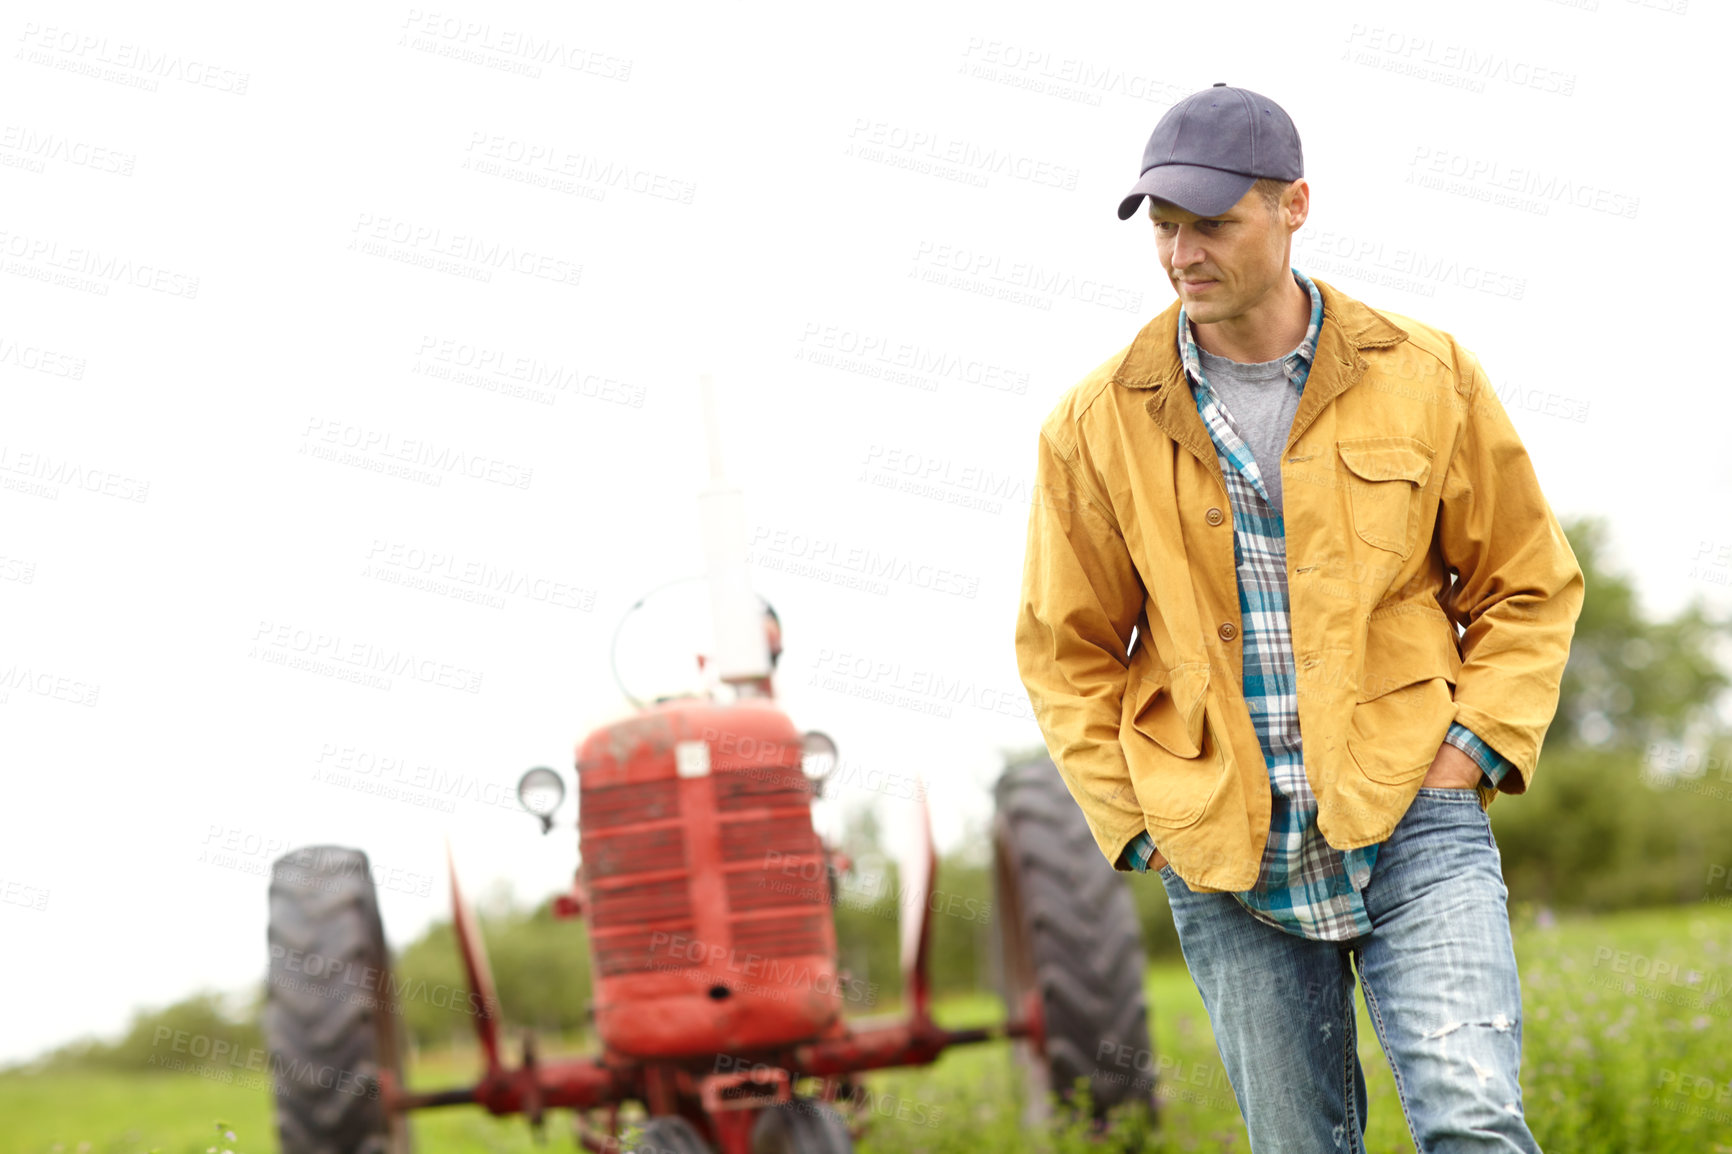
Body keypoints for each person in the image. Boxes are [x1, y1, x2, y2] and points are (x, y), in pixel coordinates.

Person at [1012, 84, 1583, 1152]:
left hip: (1416, 811)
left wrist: (1470, 748)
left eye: (1213, 223)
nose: (1183, 253)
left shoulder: (1426, 373)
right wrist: (1142, 827)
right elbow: (1065, 651)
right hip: (1225, 854)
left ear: (1294, 207)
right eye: (1166, 227)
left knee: (1473, 1118)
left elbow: (1525, 581)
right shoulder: (1091, 426)